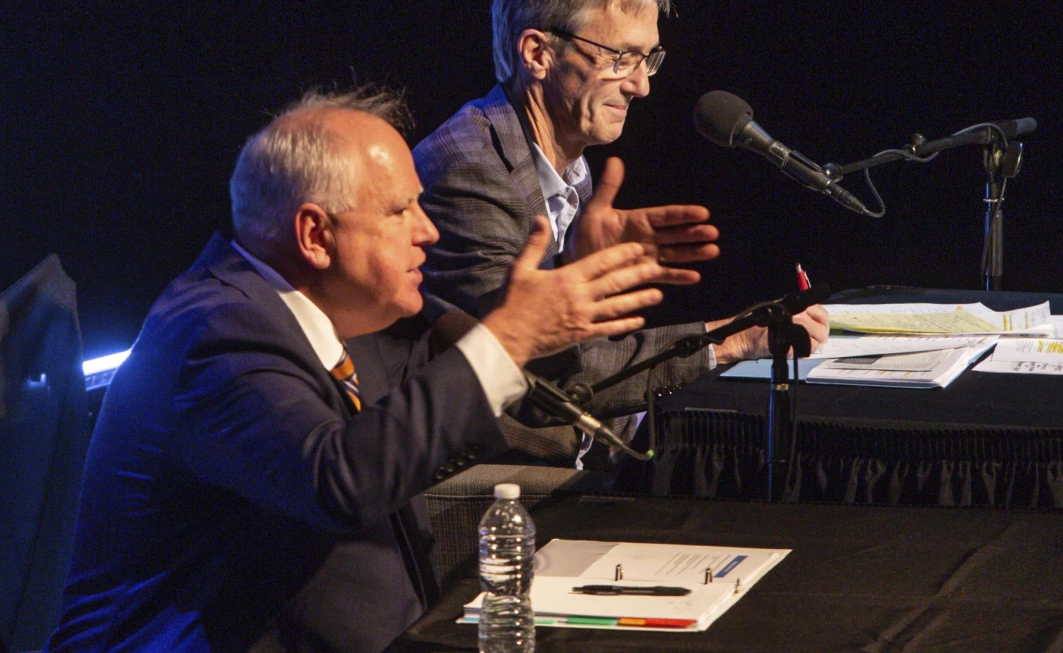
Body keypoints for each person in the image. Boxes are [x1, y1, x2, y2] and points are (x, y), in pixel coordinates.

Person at [47, 88, 681, 653]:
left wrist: (564, 285)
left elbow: (491, 391)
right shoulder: (214, 333)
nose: (428, 232)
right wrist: (509, 334)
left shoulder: (357, 318)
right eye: (400, 211)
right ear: (315, 235)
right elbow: (339, 481)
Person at [413, 0, 829, 465]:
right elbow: (548, 378)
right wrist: (729, 341)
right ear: (538, 52)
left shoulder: (571, 166)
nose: (641, 86)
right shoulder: (467, 170)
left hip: (578, 462)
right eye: (621, 58)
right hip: (489, 491)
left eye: (647, 59)